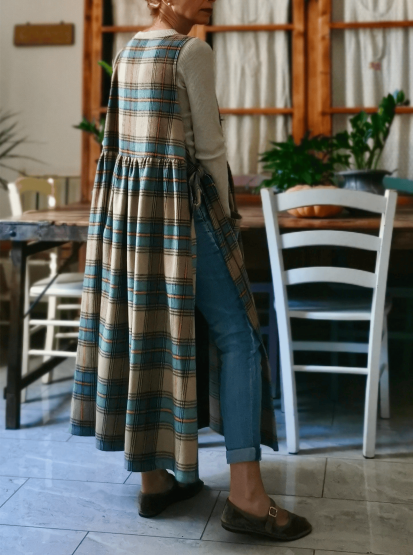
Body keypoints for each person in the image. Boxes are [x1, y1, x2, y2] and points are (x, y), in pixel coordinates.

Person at [69, 0, 312, 542]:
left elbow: (119, 147)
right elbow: (210, 149)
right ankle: (248, 498)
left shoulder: (128, 51)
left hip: (133, 215)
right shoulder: (192, 51)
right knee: (239, 336)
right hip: (184, 210)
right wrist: (228, 220)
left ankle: (154, 481)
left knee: (148, 327)